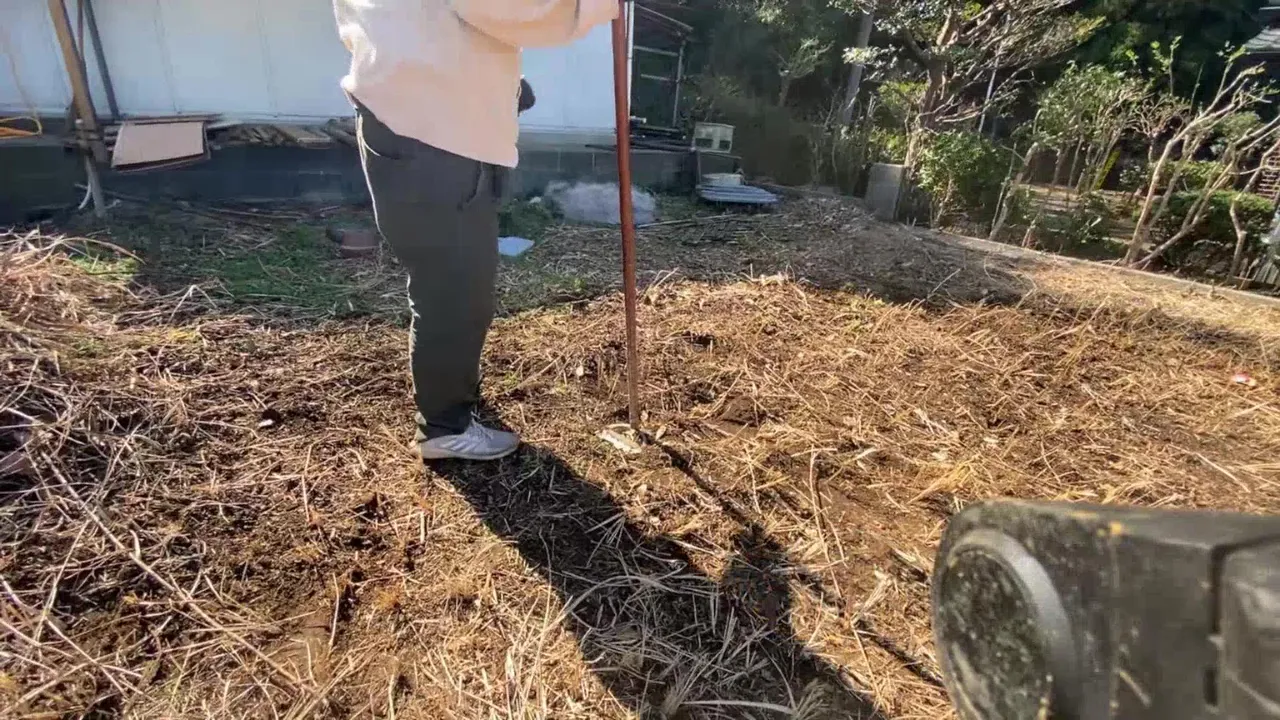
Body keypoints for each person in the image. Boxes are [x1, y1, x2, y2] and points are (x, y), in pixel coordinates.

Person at [332, 0, 618, 461]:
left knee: (447, 282)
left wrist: (489, 82)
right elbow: (508, 8)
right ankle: (445, 428)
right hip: (435, 136)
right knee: (454, 291)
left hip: (411, 119)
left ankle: (451, 400)